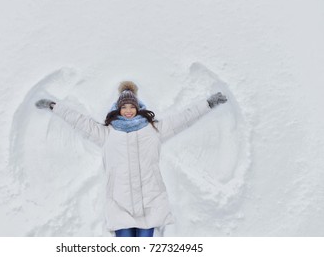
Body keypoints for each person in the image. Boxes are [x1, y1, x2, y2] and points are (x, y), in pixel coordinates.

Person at [35, 81, 227, 237]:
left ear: (138, 108)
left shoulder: (154, 129)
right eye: (124, 107)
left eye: (131, 106)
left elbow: (184, 119)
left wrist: (209, 103)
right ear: (118, 109)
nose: (128, 110)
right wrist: (54, 106)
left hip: (150, 203)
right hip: (120, 205)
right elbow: (79, 120)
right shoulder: (106, 133)